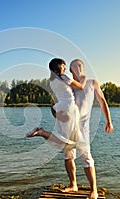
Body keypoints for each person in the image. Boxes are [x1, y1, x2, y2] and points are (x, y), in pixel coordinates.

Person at [26, 58, 87, 192]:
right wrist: (85, 77)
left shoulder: (52, 81)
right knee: (69, 143)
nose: (64, 69)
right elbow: (81, 86)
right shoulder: (63, 77)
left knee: (68, 152)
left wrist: (55, 111)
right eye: (63, 67)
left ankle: (73, 185)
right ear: (56, 70)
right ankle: (42, 132)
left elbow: (55, 99)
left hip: (60, 108)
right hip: (69, 109)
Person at [62, 59, 114, 199]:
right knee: (68, 156)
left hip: (83, 126)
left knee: (86, 157)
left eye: (80, 65)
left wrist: (109, 121)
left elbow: (102, 101)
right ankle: (73, 185)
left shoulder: (92, 83)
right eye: (75, 66)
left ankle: (94, 190)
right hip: (68, 126)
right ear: (71, 70)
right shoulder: (69, 85)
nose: (78, 68)